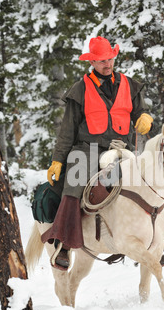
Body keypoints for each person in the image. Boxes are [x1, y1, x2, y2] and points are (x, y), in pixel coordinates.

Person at [41, 36, 153, 270]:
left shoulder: (129, 85)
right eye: (102, 61)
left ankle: (158, 239)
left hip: (122, 149)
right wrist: (57, 161)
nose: (108, 64)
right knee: (74, 185)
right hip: (88, 149)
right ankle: (64, 244)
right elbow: (67, 130)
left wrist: (144, 117)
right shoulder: (80, 89)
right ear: (91, 62)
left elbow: (140, 110)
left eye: (110, 59)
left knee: (148, 181)